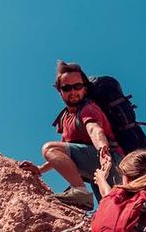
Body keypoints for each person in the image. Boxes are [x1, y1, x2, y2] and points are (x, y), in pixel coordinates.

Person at [39, 62, 119, 211]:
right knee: (110, 211)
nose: (73, 91)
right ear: (59, 91)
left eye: (77, 86)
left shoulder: (88, 108)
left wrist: (103, 151)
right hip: (98, 171)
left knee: (48, 148)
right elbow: (63, 154)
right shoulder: (65, 118)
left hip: (110, 161)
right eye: (67, 88)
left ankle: (80, 192)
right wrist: (39, 170)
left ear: (85, 88)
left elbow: (95, 130)